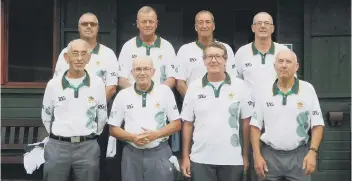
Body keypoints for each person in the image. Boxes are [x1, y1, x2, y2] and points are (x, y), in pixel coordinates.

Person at [53, 13, 119, 181]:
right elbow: (57, 85)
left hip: (97, 119)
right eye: (84, 24)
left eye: (92, 24)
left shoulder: (108, 54)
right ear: (78, 28)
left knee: (95, 167)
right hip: (68, 119)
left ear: (98, 28)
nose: (89, 27)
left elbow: (111, 88)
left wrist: (90, 107)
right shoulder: (65, 54)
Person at [180, 42, 253, 181]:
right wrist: (185, 157)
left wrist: (244, 155)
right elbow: (187, 123)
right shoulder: (194, 87)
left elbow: (246, 122)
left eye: (218, 56)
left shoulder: (240, 86)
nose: (213, 60)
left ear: (225, 60)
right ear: (203, 60)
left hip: (232, 159)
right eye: (209, 57)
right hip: (200, 159)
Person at [250, 49, 324, 181]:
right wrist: (257, 155)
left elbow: (317, 124)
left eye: (288, 62)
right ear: (274, 66)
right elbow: (255, 126)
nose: (284, 65)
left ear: (296, 67)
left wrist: (312, 152)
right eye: (280, 61)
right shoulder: (263, 91)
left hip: (300, 155)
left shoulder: (307, 89)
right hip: (270, 156)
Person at [232, 12, 289, 181]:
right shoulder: (242, 52)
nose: (262, 26)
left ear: (272, 28)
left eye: (266, 23)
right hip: (249, 118)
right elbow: (237, 83)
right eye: (259, 23)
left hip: (277, 116)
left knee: (276, 161)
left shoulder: (283, 51)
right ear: (253, 28)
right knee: (252, 164)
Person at [42, 39, 107, 181]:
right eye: (75, 53)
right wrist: (61, 136)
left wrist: (89, 135)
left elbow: (102, 115)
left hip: (87, 147)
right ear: (67, 57)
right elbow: (46, 115)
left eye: (84, 54)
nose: (79, 58)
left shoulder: (97, 84)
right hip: (58, 147)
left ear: (88, 58)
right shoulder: (53, 85)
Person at [108, 56, 181, 181]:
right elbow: (113, 129)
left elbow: (177, 124)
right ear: (132, 73)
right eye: (138, 69)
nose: (142, 73)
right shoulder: (123, 95)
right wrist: (133, 138)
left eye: (146, 69)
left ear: (153, 71)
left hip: (160, 152)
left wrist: (156, 134)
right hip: (131, 154)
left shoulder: (165, 92)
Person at [176, 10, 238, 98]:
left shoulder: (225, 48)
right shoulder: (184, 50)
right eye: (200, 22)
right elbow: (180, 83)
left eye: (208, 22)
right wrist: (193, 102)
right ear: (195, 27)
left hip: (222, 102)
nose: (204, 26)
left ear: (213, 26)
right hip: (194, 104)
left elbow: (233, 79)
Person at [118, 6, 177, 90]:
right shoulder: (128, 47)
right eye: (144, 22)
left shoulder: (167, 47)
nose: (148, 25)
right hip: (134, 99)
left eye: (151, 22)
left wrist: (157, 94)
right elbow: (122, 79)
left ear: (156, 24)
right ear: (138, 23)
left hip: (160, 99)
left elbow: (172, 79)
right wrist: (134, 94)